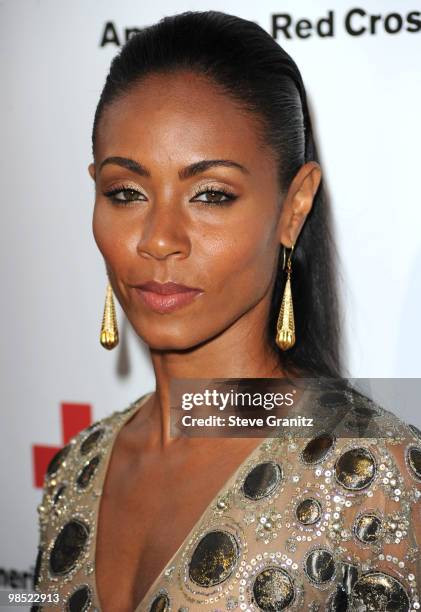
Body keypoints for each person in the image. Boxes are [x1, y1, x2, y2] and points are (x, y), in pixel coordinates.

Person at [32, 10, 421, 612]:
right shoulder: (72, 471)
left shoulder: (376, 476)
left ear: (293, 208)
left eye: (210, 194)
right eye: (125, 193)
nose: (158, 239)